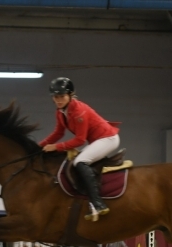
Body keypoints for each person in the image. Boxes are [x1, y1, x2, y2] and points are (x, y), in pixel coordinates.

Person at [39, 77, 120, 221]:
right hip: (98, 140)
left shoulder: (78, 112)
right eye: (56, 97)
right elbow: (58, 133)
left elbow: (80, 140)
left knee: (80, 162)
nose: (59, 100)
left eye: (62, 96)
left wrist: (56, 147)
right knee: (76, 161)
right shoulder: (60, 112)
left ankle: (98, 203)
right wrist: (38, 146)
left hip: (108, 139)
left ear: (70, 95)